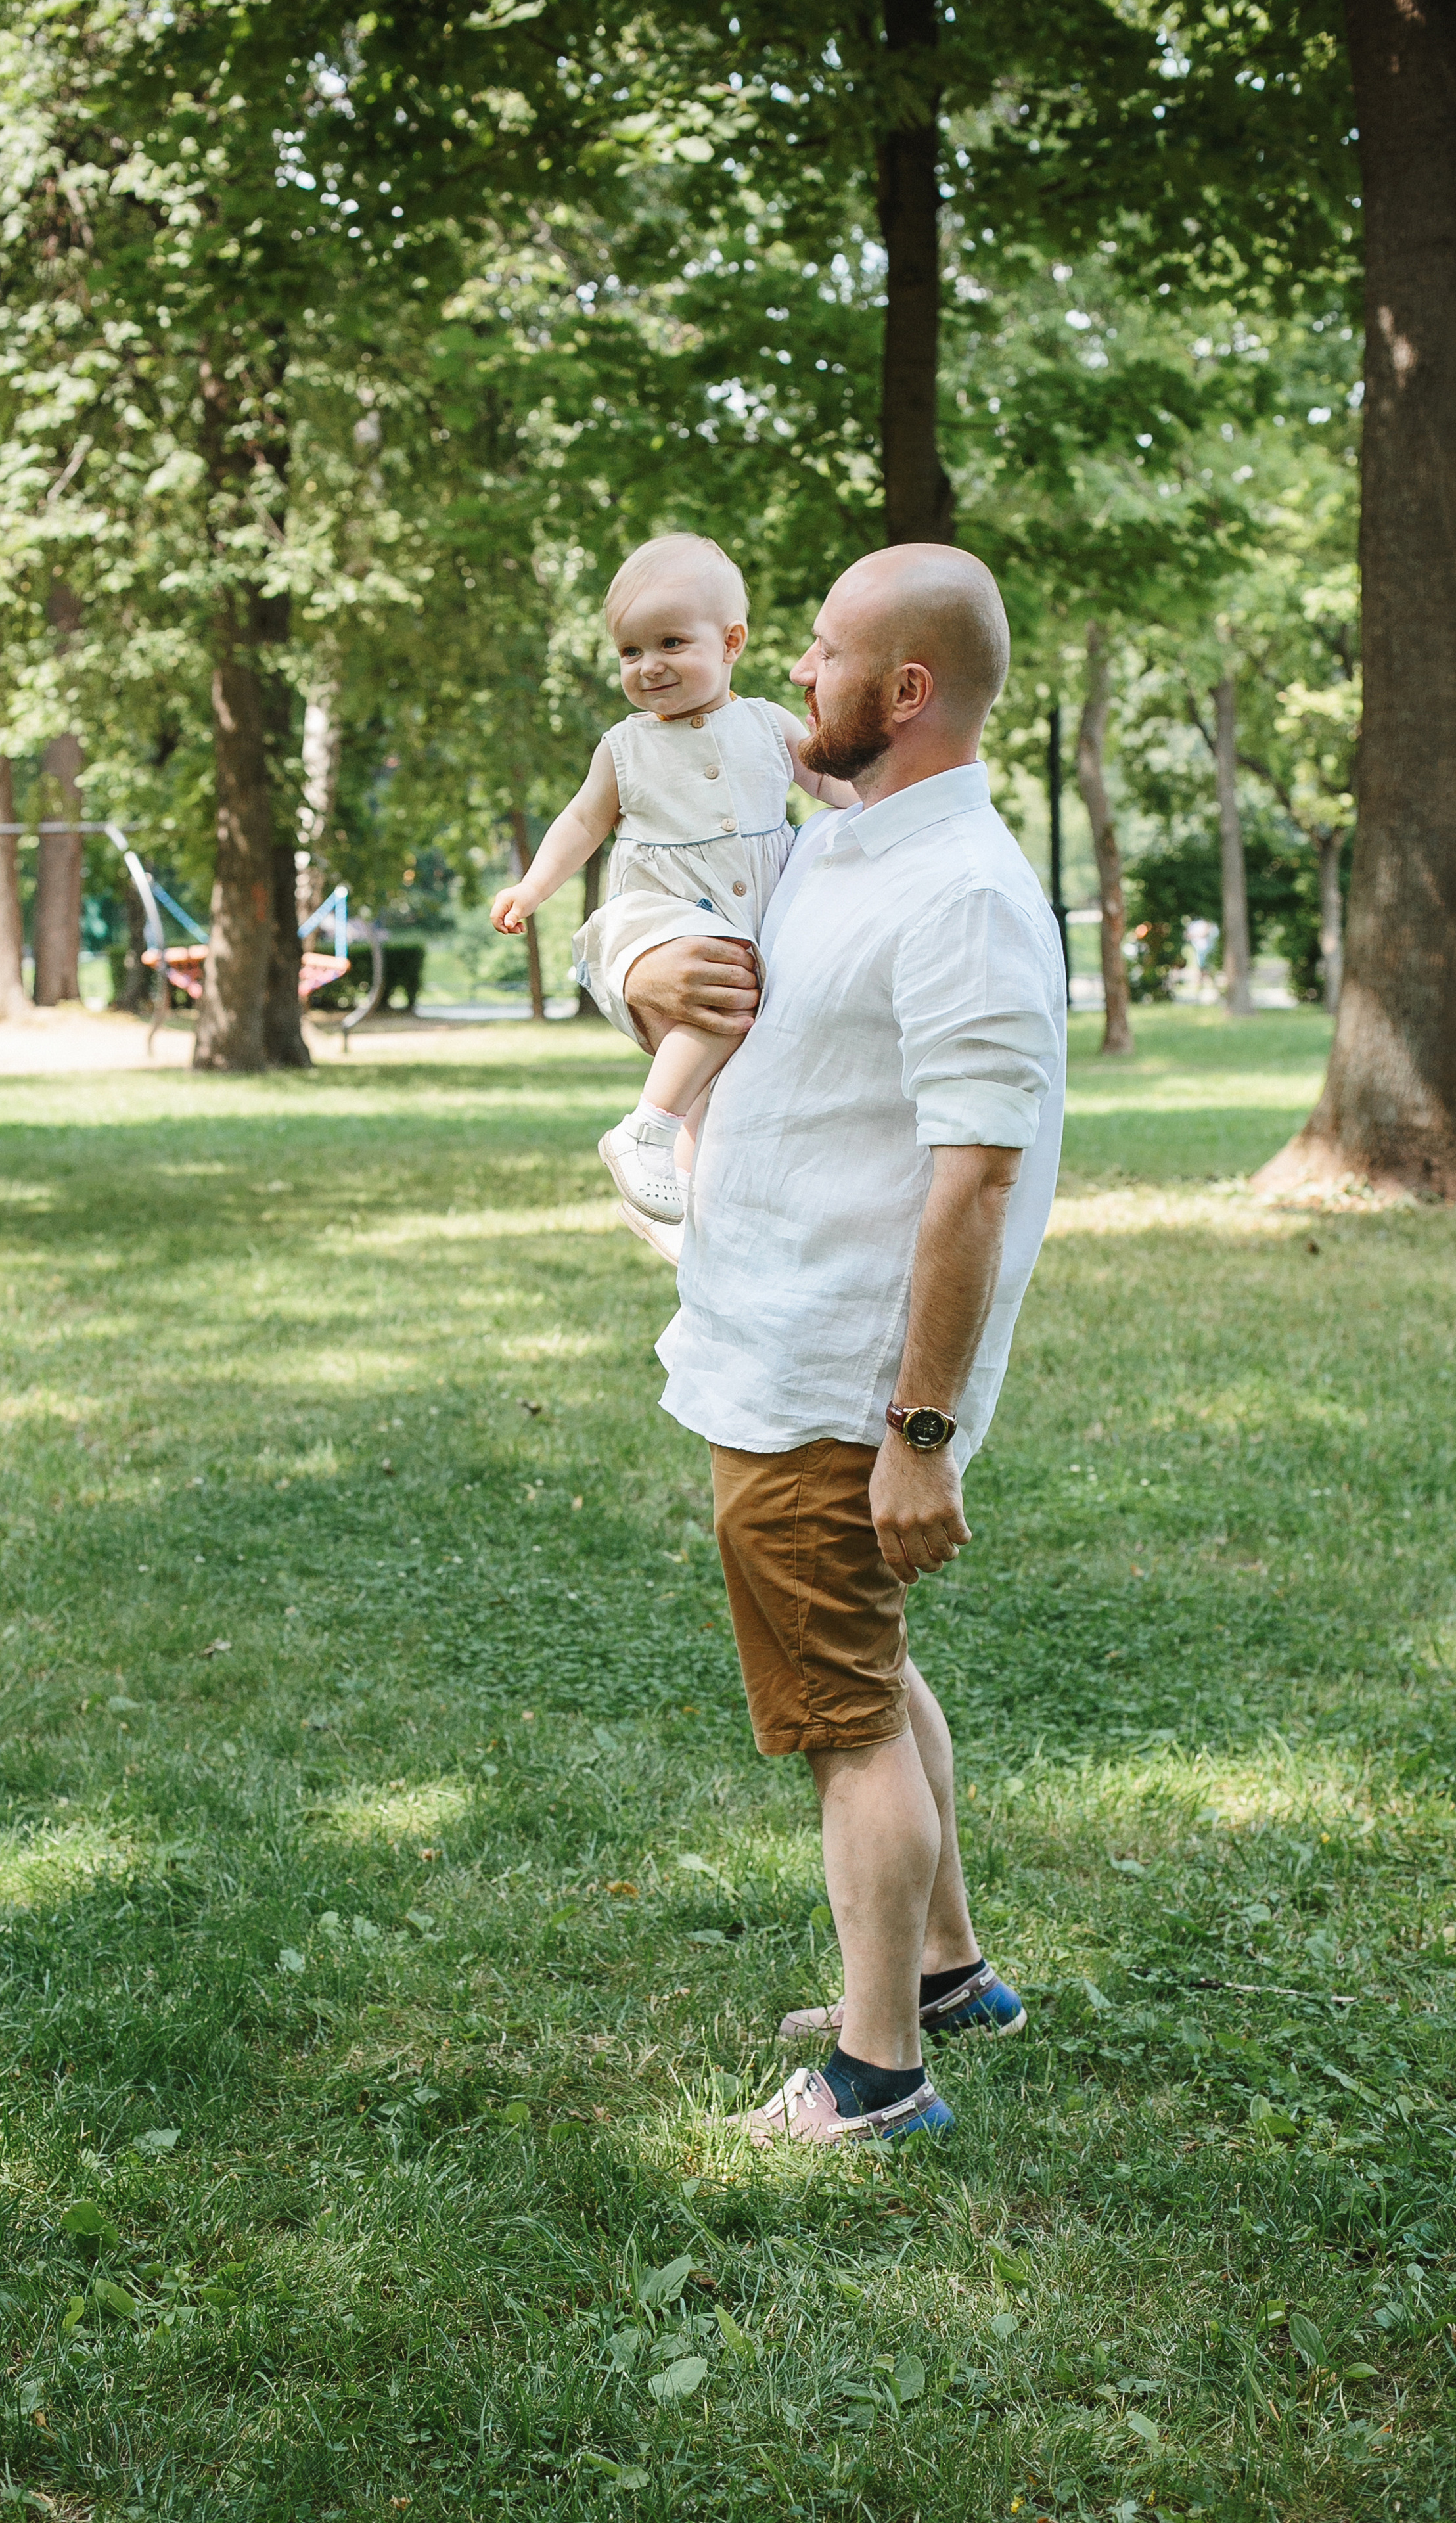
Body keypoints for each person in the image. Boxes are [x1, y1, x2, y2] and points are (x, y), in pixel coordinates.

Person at [589, 543, 1067, 2146]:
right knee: (872, 1670)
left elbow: (974, 1181)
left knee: (846, 1723)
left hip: (836, 1389)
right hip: (770, 1348)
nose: (792, 672)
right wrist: (634, 962)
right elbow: (650, 902)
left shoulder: (964, 896)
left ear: (905, 689)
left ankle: (874, 2077)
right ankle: (947, 1974)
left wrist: (916, 1436)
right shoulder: (840, 838)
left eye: (821, 650)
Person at [489, 533, 854, 1224]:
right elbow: (580, 822)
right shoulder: (626, 747)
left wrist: (886, 796)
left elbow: (831, 783)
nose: (648, 665)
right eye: (630, 651)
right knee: (722, 996)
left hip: (755, 917)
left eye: (671, 643)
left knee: (722, 1078)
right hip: (669, 912)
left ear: (731, 642)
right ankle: (646, 1129)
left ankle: (684, 1194)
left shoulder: (767, 724)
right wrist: (532, 888)